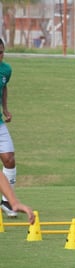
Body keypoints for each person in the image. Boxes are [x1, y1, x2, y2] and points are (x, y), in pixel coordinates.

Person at [0, 38, 19, 218]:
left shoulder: (6, 69)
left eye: (2, 52)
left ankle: (7, 202)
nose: (0, 56)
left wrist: (5, 109)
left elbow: (3, 88)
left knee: (9, 158)